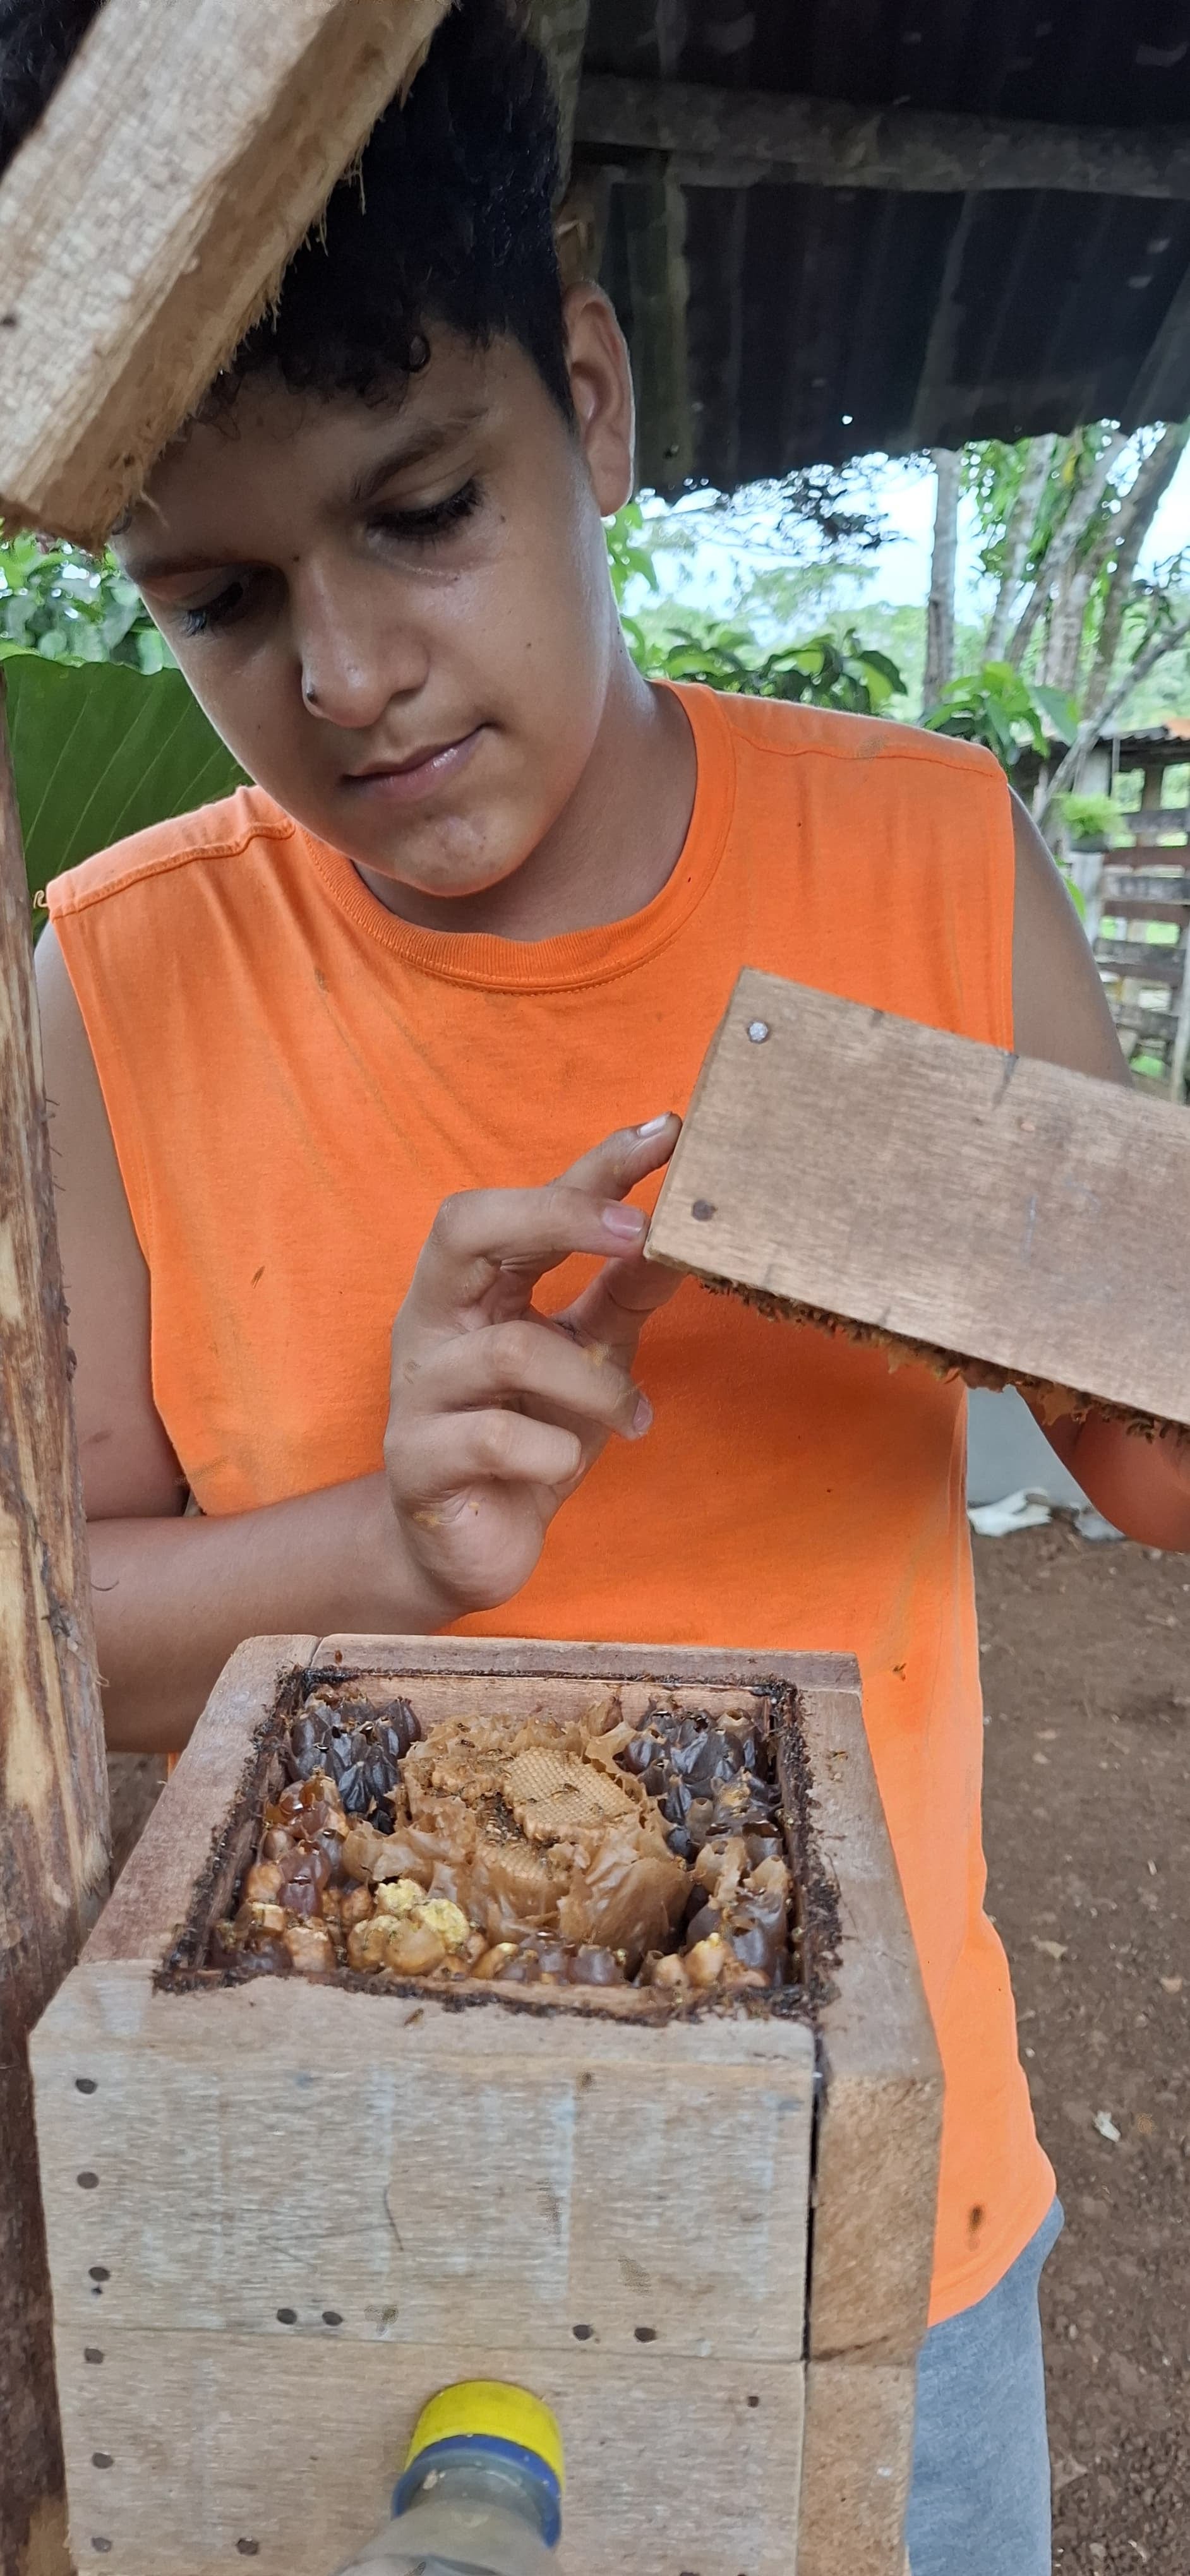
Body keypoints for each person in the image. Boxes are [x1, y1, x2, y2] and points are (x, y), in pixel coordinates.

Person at [3, 4, 1187, 2568]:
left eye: (421, 511)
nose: (343, 675)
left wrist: (1083, 1268)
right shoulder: (121, 982)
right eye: (219, 600)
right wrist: (376, 1545)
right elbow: (47, 1642)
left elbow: (1155, 1474)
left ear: (596, 402)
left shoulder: (924, 859)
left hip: (877, 2223)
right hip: (345, 2228)